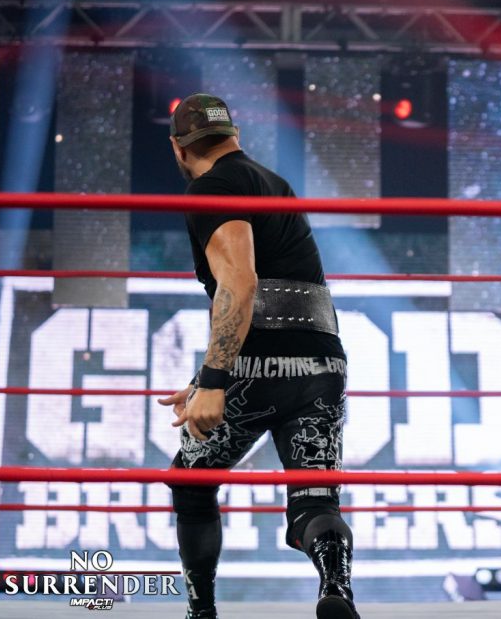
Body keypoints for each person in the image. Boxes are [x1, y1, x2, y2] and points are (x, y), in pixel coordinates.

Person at [157, 94, 360, 619]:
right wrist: (204, 377)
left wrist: (214, 380)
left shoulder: (212, 186)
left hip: (252, 366)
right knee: (314, 502)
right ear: (235, 136)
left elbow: (241, 283)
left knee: (190, 481)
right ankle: (336, 587)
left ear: (179, 148)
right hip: (322, 363)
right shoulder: (272, 183)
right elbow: (280, 292)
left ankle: (201, 612)